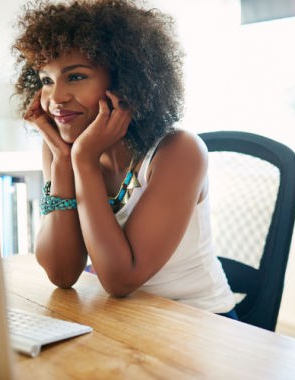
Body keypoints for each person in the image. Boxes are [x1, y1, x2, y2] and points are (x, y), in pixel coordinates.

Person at [12, 0, 237, 319]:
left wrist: (84, 162)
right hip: (121, 319)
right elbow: (62, 274)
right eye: (46, 80)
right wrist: (64, 161)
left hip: (199, 322)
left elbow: (120, 279)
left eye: (75, 77)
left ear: (123, 81)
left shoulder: (179, 150)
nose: (56, 97)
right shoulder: (63, 149)